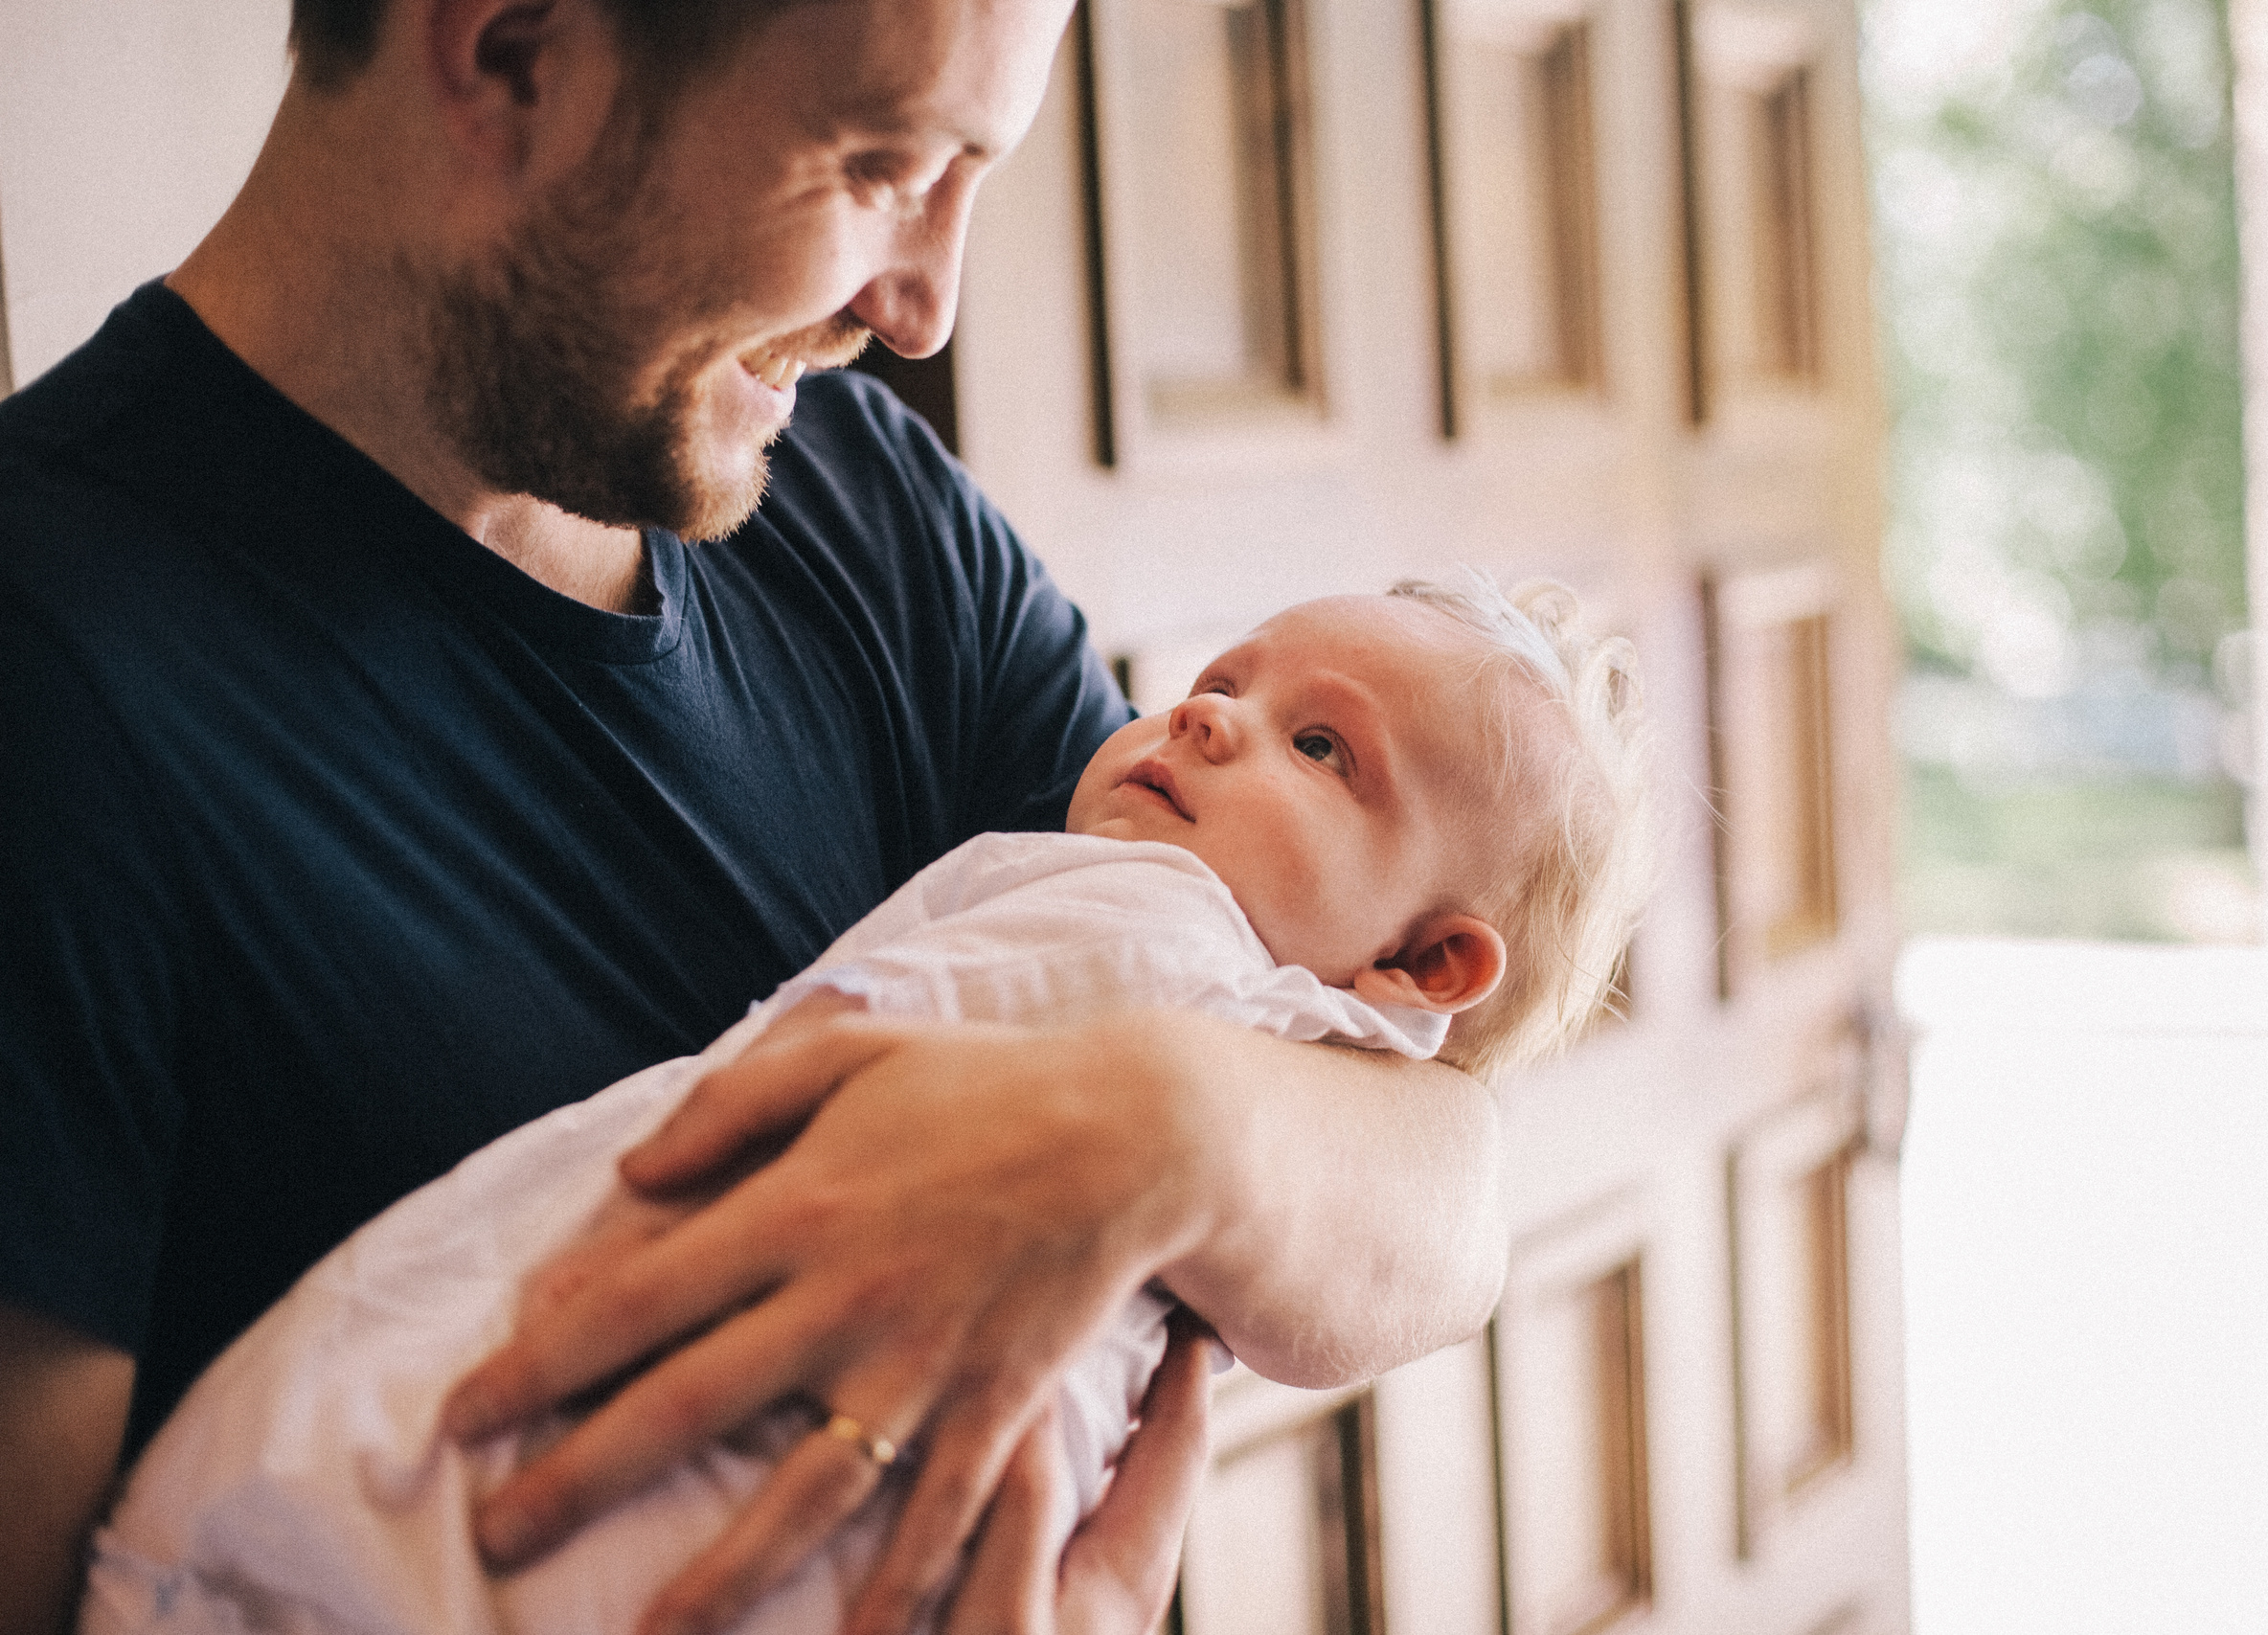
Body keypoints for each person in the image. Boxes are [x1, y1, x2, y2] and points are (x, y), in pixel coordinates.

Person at [0, 5, 1513, 1635]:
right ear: (509, 52)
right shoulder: (49, 675)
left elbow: (1446, 1184)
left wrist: (1165, 1130)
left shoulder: (864, 504)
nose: (921, 310)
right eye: (882, 166)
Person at [82, 579, 1653, 1635]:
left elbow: (1456, 1207)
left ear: (1423, 964)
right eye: (1223, 682)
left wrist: (1169, 1123)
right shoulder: (85, 654)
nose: (1205, 717)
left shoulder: (1155, 921)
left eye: (1321, 747)